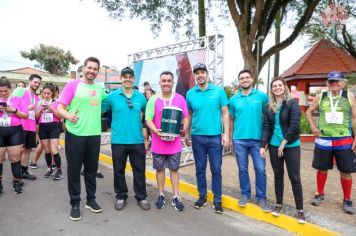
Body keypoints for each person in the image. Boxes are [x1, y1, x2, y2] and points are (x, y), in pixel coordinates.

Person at [57, 57, 107, 221]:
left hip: (94, 135)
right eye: (90, 68)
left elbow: (110, 102)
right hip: (75, 134)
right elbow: (59, 107)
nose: (92, 71)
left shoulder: (99, 89)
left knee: (91, 170)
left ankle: (90, 200)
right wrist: (68, 116)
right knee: (74, 170)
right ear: (83, 68)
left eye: (95, 69)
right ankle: (75, 203)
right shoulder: (73, 85)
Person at [306, 71, 356, 214]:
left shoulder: (349, 97)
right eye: (331, 81)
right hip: (324, 140)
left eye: (337, 81)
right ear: (327, 83)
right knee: (322, 168)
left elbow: (354, 119)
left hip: (344, 140)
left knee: (346, 171)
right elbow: (309, 112)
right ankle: (319, 194)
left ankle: (347, 200)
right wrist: (313, 127)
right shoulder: (321, 96)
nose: (334, 83)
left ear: (343, 83)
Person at [102, 66, 150, 211]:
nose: (128, 79)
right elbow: (98, 109)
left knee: (139, 170)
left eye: (130, 77)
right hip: (118, 141)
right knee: (118, 170)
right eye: (125, 77)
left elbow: (147, 118)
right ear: (121, 79)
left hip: (137, 140)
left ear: (133, 79)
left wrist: (147, 136)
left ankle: (141, 197)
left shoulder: (141, 98)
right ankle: (121, 196)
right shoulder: (112, 97)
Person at [185, 63, 230, 214]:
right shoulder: (190, 94)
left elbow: (225, 113)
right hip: (197, 137)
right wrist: (186, 133)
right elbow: (189, 115)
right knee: (200, 169)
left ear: (207, 74)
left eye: (202, 72)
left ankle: (217, 200)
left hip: (215, 137)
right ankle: (202, 196)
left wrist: (226, 134)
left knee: (216, 169)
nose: (200, 75)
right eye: (197, 73)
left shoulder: (218, 92)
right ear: (195, 76)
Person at [260, 78, 305, 223]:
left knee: (294, 177)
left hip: (291, 145)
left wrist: (283, 143)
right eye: (274, 86)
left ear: (285, 87)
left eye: (280, 85)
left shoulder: (292, 103)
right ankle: (278, 204)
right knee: (278, 176)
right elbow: (267, 128)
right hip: (274, 146)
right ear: (271, 89)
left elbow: (295, 126)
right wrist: (263, 145)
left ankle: (300, 210)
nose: (277, 88)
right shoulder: (269, 107)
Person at [146, 71, 189, 211]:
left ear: (173, 82)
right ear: (159, 83)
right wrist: (155, 130)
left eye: (169, 81)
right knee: (160, 170)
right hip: (158, 143)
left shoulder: (180, 99)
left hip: (174, 143)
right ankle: (161, 195)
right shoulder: (153, 99)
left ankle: (176, 196)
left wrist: (185, 127)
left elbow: (186, 117)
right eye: (163, 80)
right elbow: (148, 119)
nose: (166, 83)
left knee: (174, 170)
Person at [229, 69, 270, 212]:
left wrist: (266, 141)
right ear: (239, 81)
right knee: (242, 169)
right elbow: (231, 120)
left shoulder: (262, 97)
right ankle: (245, 194)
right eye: (242, 78)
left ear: (252, 80)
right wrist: (230, 138)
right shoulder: (233, 99)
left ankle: (261, 197)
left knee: (260, 169)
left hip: (258, 141)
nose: (245, 80)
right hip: (239, 140)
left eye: (247, 77)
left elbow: (268, 119)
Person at [0, 77, 28, 194]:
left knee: (15, 158)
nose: (3, 93)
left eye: (5, 91)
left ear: (10, 89)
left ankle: (16, 181)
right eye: (0, 91)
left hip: (15, 131)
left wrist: (14, 110)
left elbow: (25, 116)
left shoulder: (18, 99)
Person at [12, 74, 42, 181]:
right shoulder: (20, 91)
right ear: (29, 81)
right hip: (20, 125)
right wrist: (26, 108)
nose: (37, 84)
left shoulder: (37, 98)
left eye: (38, 83)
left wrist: (40, 110)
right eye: (35, 82)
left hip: (31, 126)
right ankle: (16, 174)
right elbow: (12, 106)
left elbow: (36, 116)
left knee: (28, 149)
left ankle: (24, 171)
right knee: (19, 149)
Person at [35, 83, 63, 180]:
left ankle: (59, 170)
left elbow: (60, 117)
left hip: (53, 127)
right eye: (44, 93)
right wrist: (39, 110)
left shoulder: (56, 102)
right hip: (43, 127)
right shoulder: (39, 103)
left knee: (54, 149)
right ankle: (49, 169)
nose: (46, 95)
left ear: (52, 94)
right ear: (42, 93)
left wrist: (52, 109)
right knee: (46, 150)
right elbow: (36, 117)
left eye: (48, 93)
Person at [143, 88, 155, 155]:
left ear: (152, 94)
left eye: (147, 94)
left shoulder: (155, 102)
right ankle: (146, 152)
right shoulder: (145, 102)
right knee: (145, 137)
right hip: (145, 122)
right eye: (145, 94)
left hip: (152, 122)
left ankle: (153, 151)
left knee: (153, 137)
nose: (146, 95)